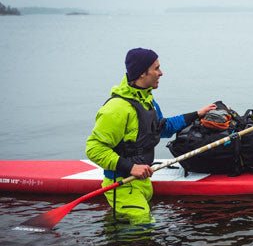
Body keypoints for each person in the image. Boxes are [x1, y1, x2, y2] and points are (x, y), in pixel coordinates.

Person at [86, 48, 216, 225]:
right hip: (123, 185)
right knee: (143, 232)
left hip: (143, 182)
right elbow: (94, 148)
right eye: (156, 68)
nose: (161, 73)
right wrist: (131, 167)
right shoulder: (116, 109)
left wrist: (196, 114)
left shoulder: (148, 101)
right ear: (142, 73)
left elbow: (163, 128)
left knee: (141, 239)